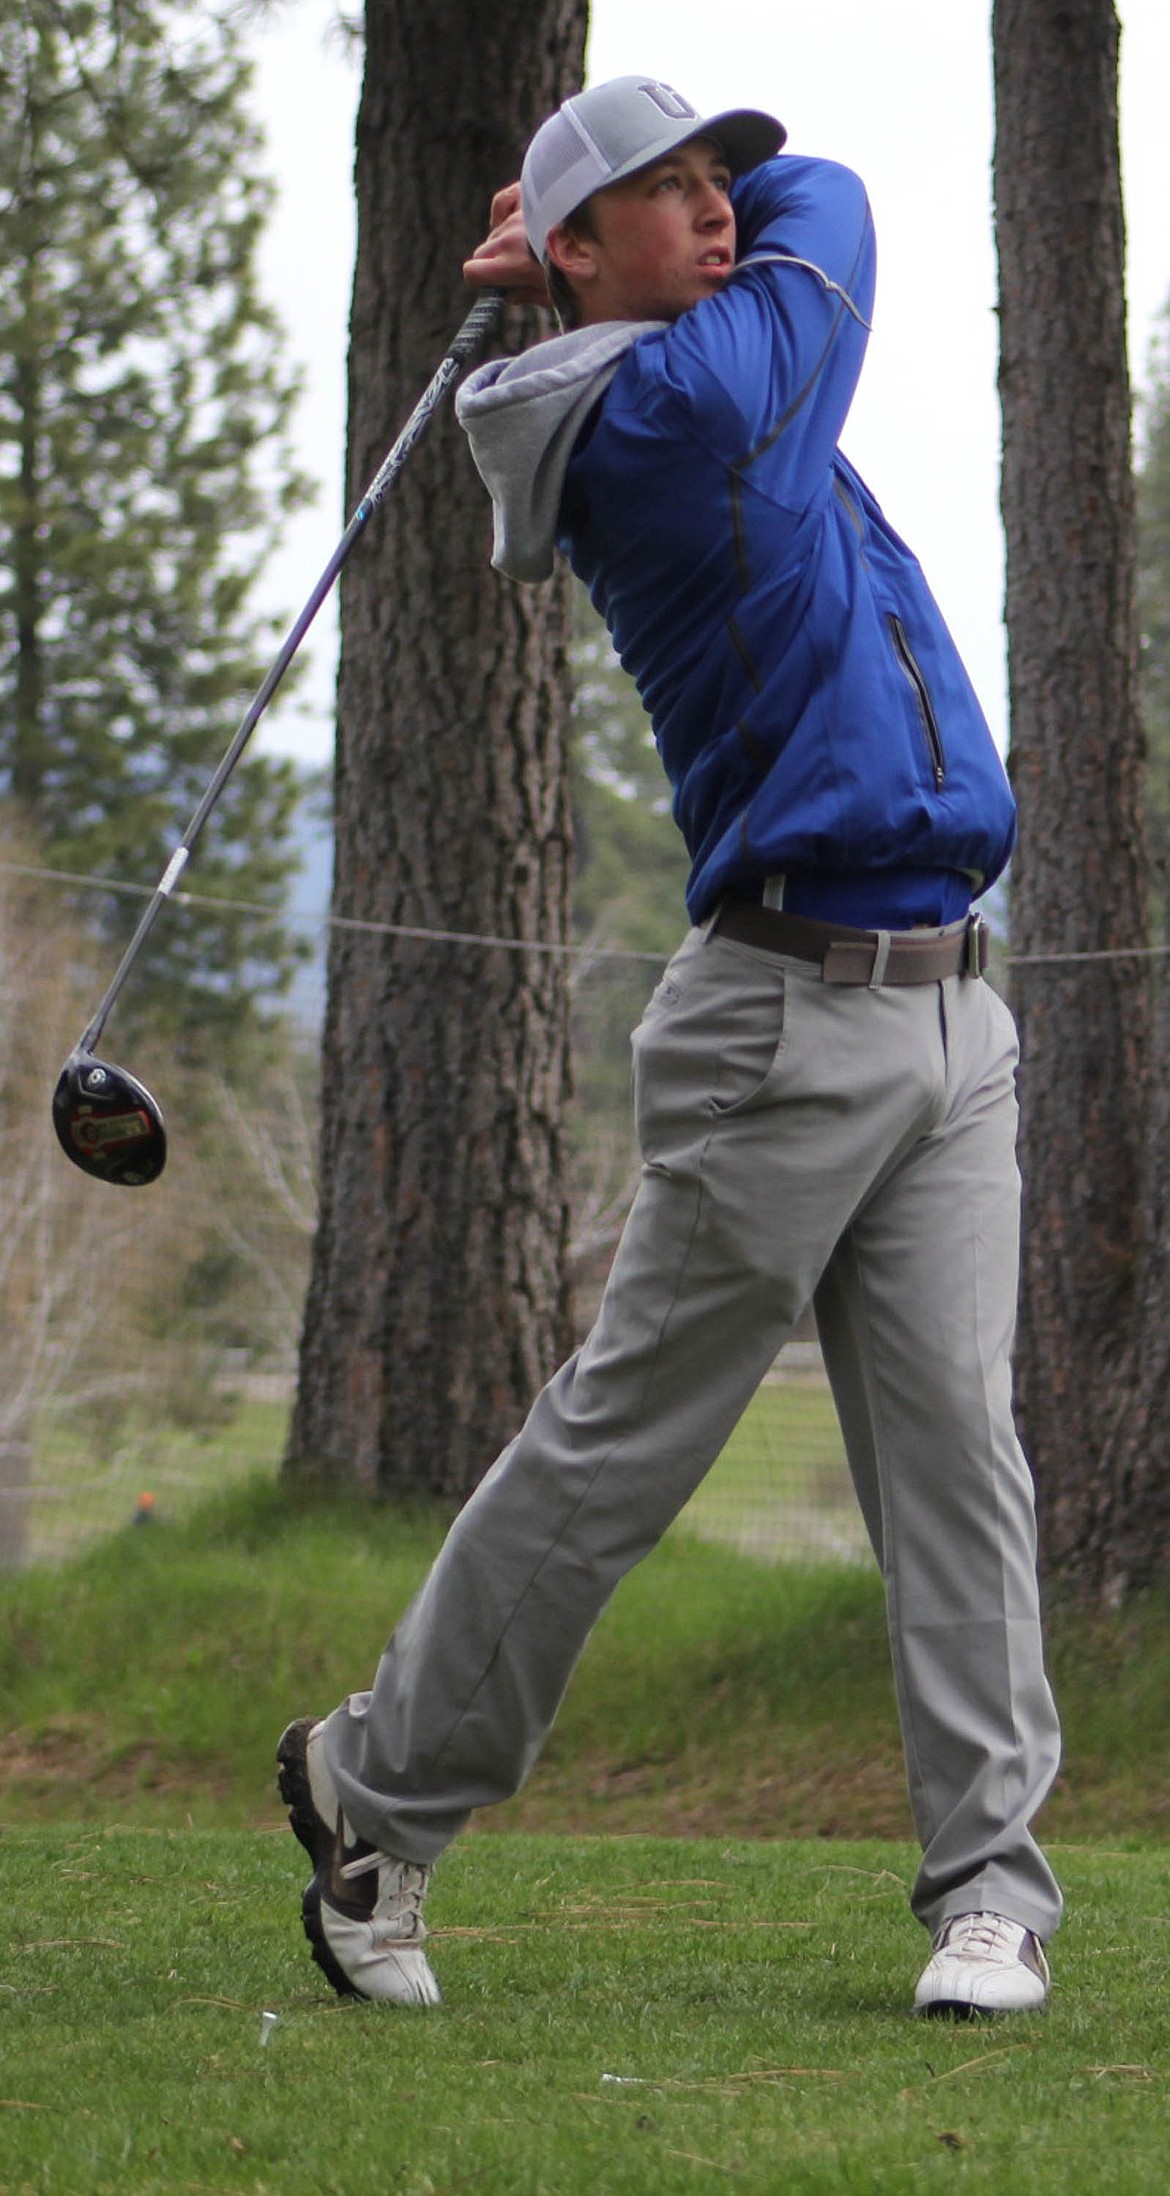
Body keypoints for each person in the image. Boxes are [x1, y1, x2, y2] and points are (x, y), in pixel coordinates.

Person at [277, 75, 1062, 2020]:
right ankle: (376, 1795)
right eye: (665, 194)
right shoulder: (674, 415)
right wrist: (618, 230)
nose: (721, 217)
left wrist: (594, 218)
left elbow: (775, 218)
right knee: (627, 1453)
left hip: (957, 1010)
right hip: (780, 1022)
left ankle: (992, 1891)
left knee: (963, 1460)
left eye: (724, 186)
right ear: (568, 255)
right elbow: (850, 197)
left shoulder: (696, 358)